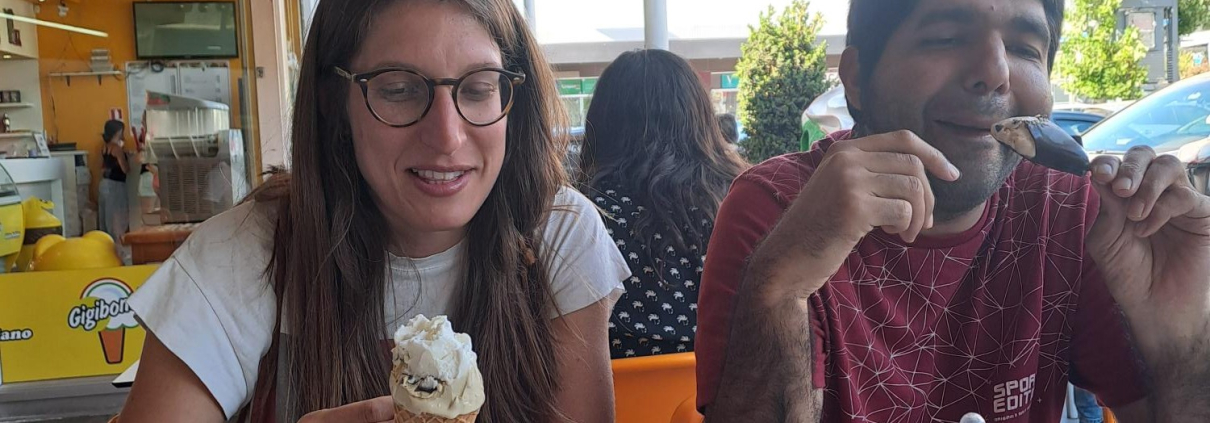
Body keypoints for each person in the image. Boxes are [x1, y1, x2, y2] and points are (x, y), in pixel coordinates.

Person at [695, 0, 1210, 422]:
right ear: (857, 79)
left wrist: (1184, 335)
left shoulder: (1069, 208)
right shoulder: (780, 210)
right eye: (945, 37)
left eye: (1024, 48)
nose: (995, 73)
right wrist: (780, 290)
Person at [119, 0, 629, 422]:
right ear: (332, 100)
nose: (448, 137)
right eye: (400, 90)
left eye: (478, 89)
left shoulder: (558, 234)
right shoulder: (243, 253)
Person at [577, 49, 748, 359]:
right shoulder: (740, 204)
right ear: (699, 119)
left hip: (614, 388)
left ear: (601, 124)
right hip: (726, 385)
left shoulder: (581, 218)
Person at [98, 119, 132, 264]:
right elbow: (125, 169)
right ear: (118, 132)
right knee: (117, 222)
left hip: (104, 185)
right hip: (116, 186)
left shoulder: (104, 147)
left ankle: (107, 255)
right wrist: (126, 157)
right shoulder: (117, 149)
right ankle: (120, 257)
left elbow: (103, 168)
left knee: (106, 222)